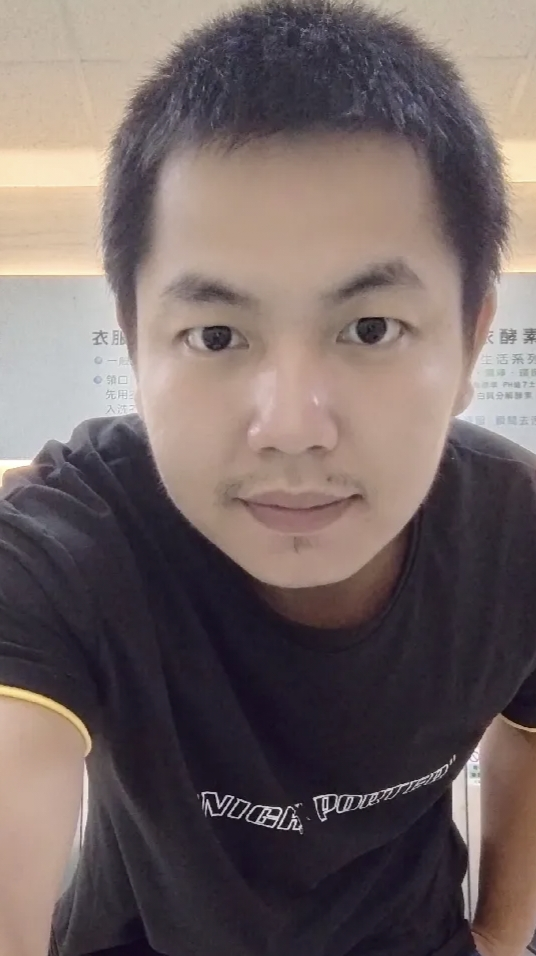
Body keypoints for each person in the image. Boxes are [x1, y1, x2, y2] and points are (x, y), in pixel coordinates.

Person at [2, 1, 536, 954]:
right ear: (135, 342)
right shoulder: (73, 542)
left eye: (370, 328)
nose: (291, 428)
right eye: (216, 335)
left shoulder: (517, 530)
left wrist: (500, 934)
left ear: (470, 341)